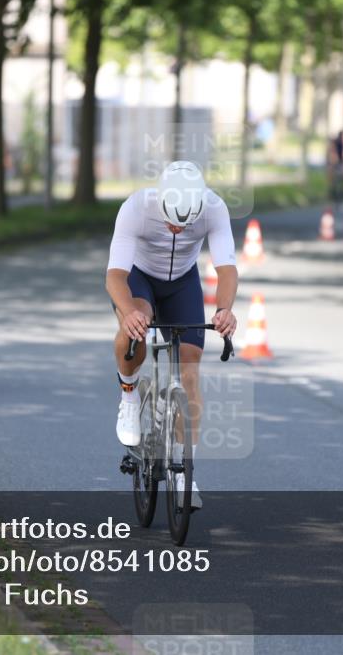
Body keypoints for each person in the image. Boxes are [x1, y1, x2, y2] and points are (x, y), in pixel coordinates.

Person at [106, 161, 238, 509]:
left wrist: (224, 309)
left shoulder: (214, 208)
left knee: (190, 372)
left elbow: (226, 270)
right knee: (135, 328)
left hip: (182, 282)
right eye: (169, 222)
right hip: (139, 279)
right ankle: (129, 396)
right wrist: (129, 313)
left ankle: (182, 471)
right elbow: (115, 276)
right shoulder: (137, 207)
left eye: (184, 224)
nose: (176, 229)